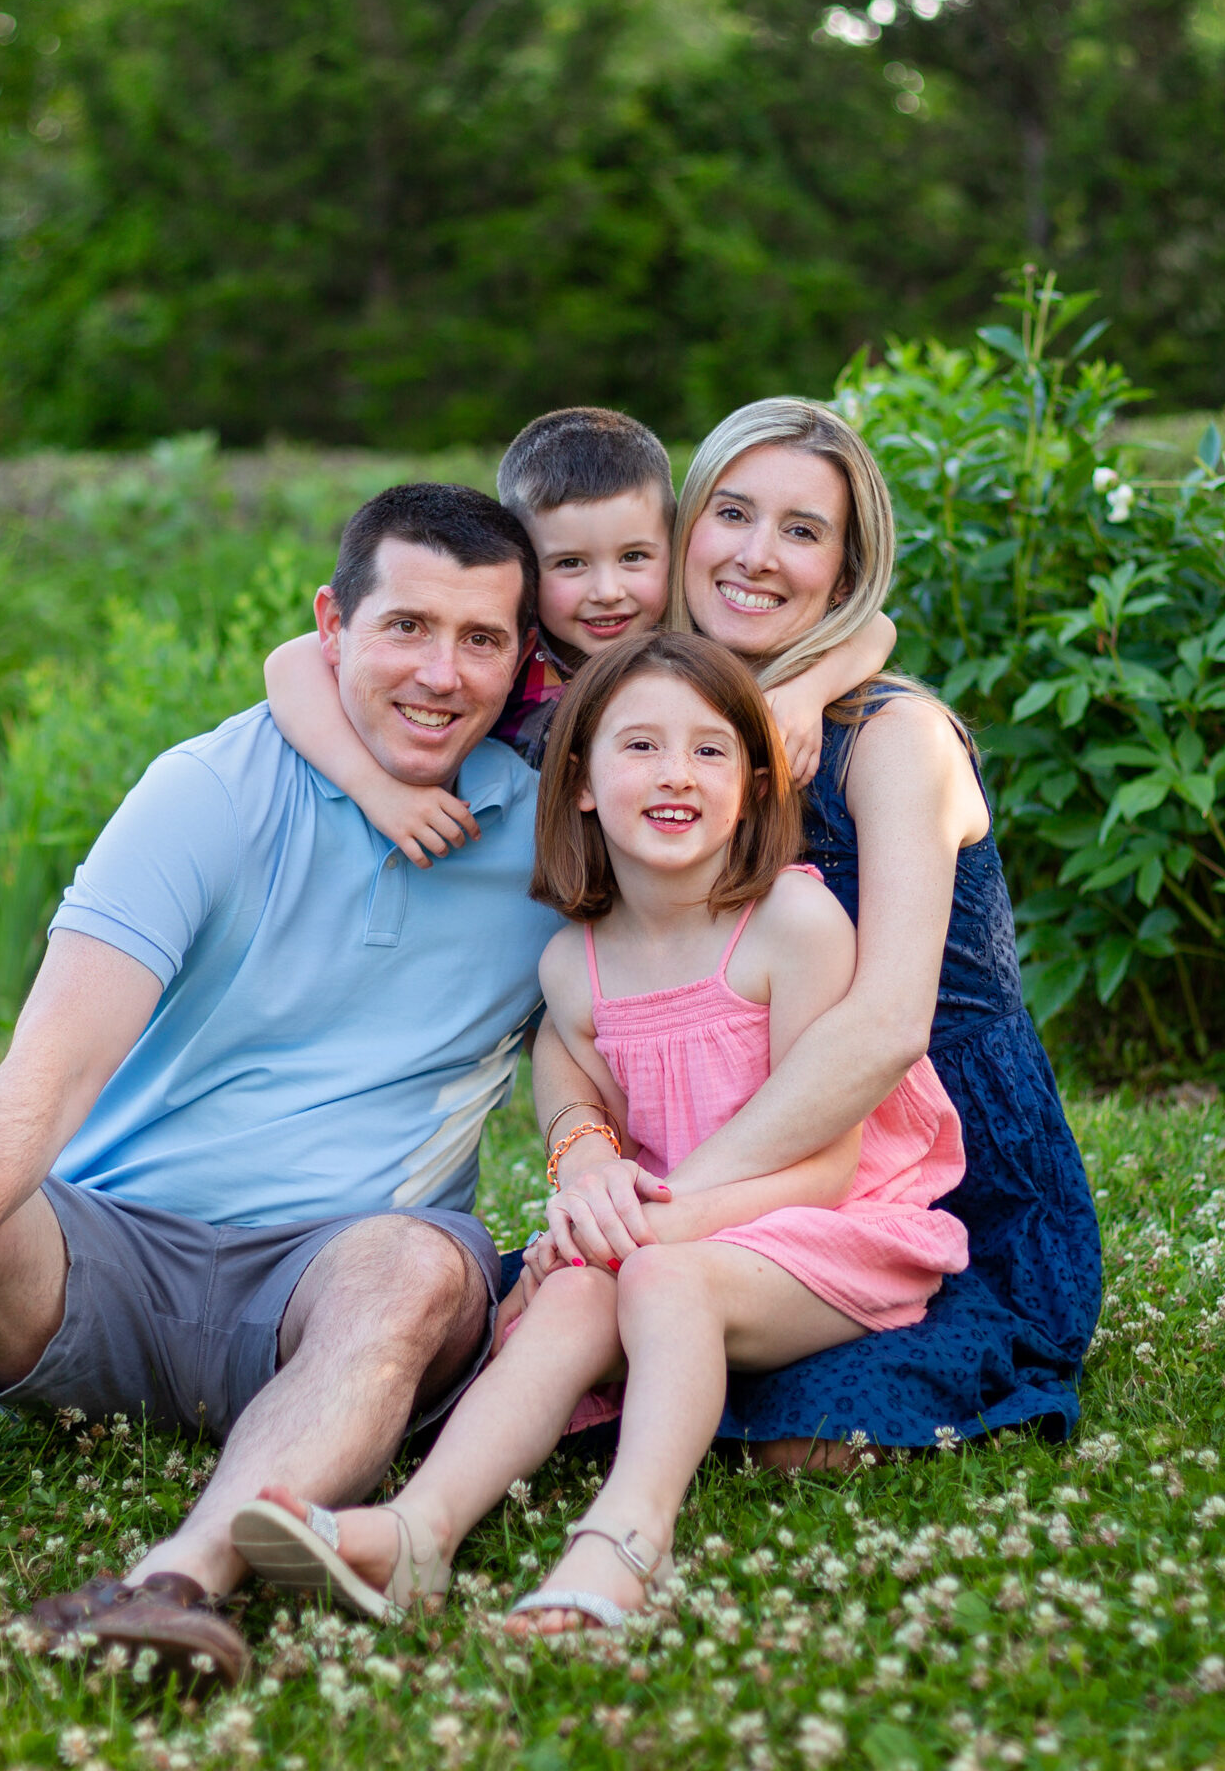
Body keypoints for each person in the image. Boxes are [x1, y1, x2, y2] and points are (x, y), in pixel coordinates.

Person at [0, 484, 563, 1682]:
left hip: (328, 1287)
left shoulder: (555, 837)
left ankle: (178, 1579)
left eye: (481, 639)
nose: (442, 672)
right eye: (407, 628)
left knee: (424, 1261)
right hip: (101, 1259)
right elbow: (53, 1069)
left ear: (521, 658)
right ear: (332, 624)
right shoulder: (210, 788)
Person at [227, 632, 967, 1630]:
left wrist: (651, 1229)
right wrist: (592, 1197)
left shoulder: (792, 922)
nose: (676, 774)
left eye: (710, 751)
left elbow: (829, 1158)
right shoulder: (576, 968)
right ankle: (419, 1528)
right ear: (577, 781)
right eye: (641, 747)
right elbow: (579, 1114)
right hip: (675, 1236)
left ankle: (624, 1538)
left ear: (753, 786)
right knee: (577, 1290)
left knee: (650, 1272)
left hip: (837, 1227)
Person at [530, 399, 1102, 1462]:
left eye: (803, 531)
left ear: (844, 575)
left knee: (800, 1432)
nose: (756, 554)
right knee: (559, 1347)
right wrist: (586, 1157)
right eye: (733, 513)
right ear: (687, 529)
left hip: (932, 1169)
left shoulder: (893, 739)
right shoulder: (662, 728)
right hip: (742, 1158)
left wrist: (669, 1202)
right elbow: (584, 1006)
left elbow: (886, 1028)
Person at [263, 408, 897, 855]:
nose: (607, 591)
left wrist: (809, 691)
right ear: (525, 569)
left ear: (675, 545)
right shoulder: (509, 650)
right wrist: (378, 792)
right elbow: (293, 663)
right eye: (569, 564)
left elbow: (873, 627)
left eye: (634, 558)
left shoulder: (683, 655)